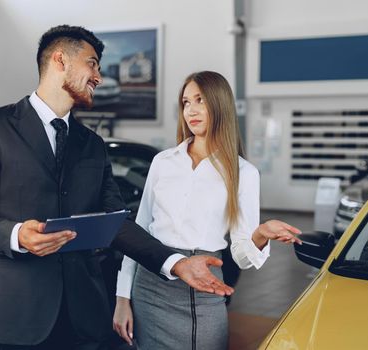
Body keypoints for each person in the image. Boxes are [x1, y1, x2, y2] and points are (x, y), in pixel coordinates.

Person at [0, 26, 235, 350]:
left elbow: (117, 223)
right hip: (17, 315)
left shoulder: (93, 145)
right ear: (60, 60)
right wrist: (15, 234)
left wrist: (175, 262)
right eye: (92, 63)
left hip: (83, 317)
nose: (98, 76)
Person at [113, 71, 302, 350]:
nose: (191, 110)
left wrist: (260, 233)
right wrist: (122, 298)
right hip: (149, 284)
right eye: (186, 102)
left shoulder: (243, 173)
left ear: (219, 104)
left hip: (203, 289)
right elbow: (139, 233)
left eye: (200, 100)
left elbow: (242, 256)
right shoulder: (163, 162)